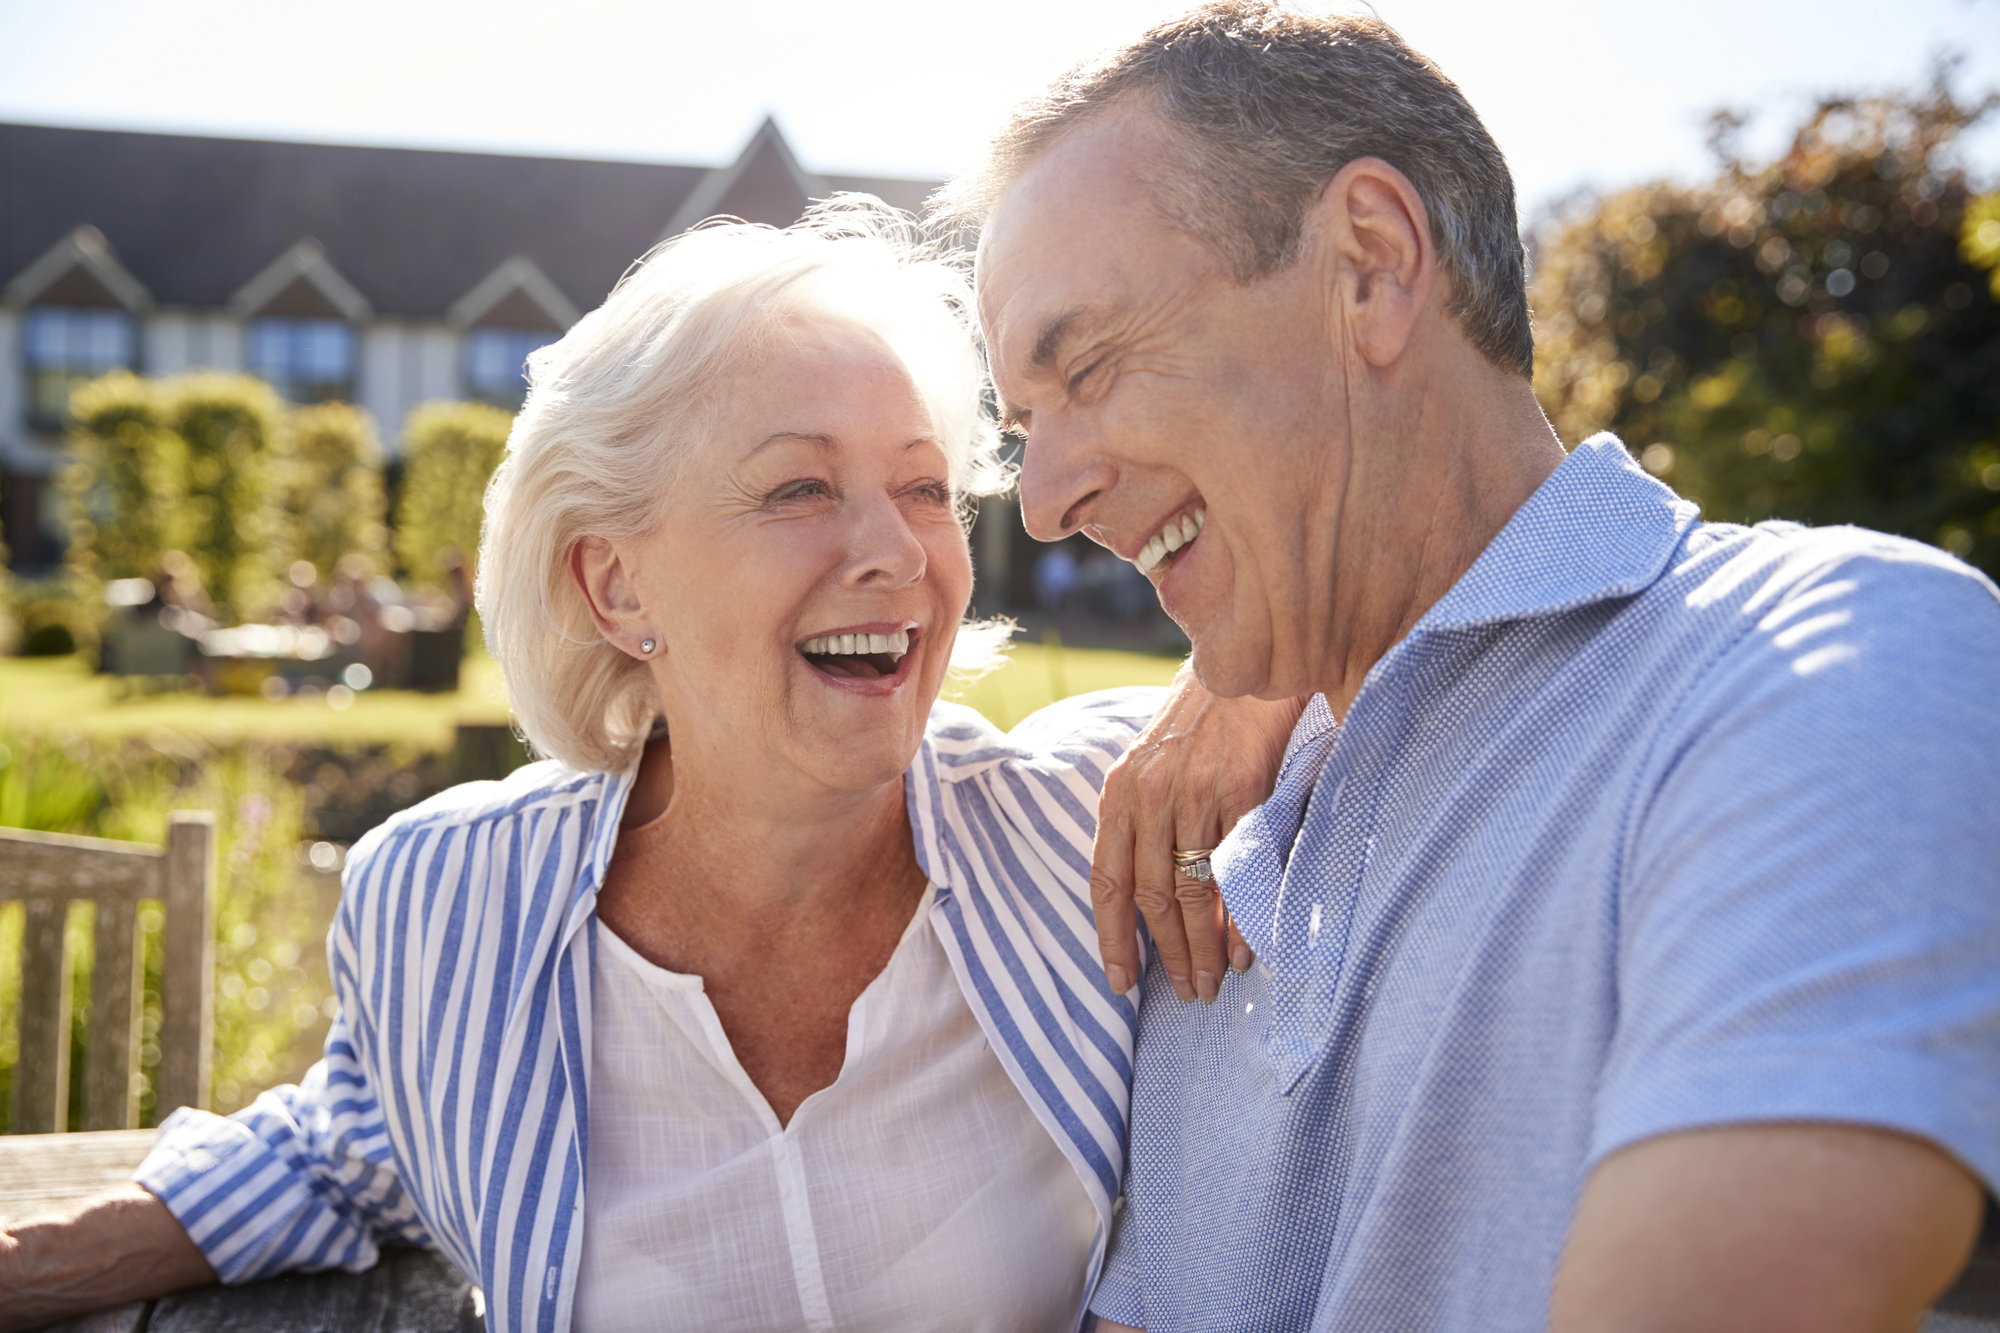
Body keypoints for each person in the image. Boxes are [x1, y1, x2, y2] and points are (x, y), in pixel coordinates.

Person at [0, 202, 1297, 1333]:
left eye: (920, 490)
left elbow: (1396, 611)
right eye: (798, 490)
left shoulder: (1090, 817)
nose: (899, 554)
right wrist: (37, 1259)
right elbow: (350, 1146)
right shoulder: (447, 902)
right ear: (615, 584)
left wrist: (1251, 681)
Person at [949, 4, 2000, 1329]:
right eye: (1023, 423)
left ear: (1373, 268)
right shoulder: (1192, 844)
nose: (1041, 502)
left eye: (1088, 366)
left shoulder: (1817, 659)